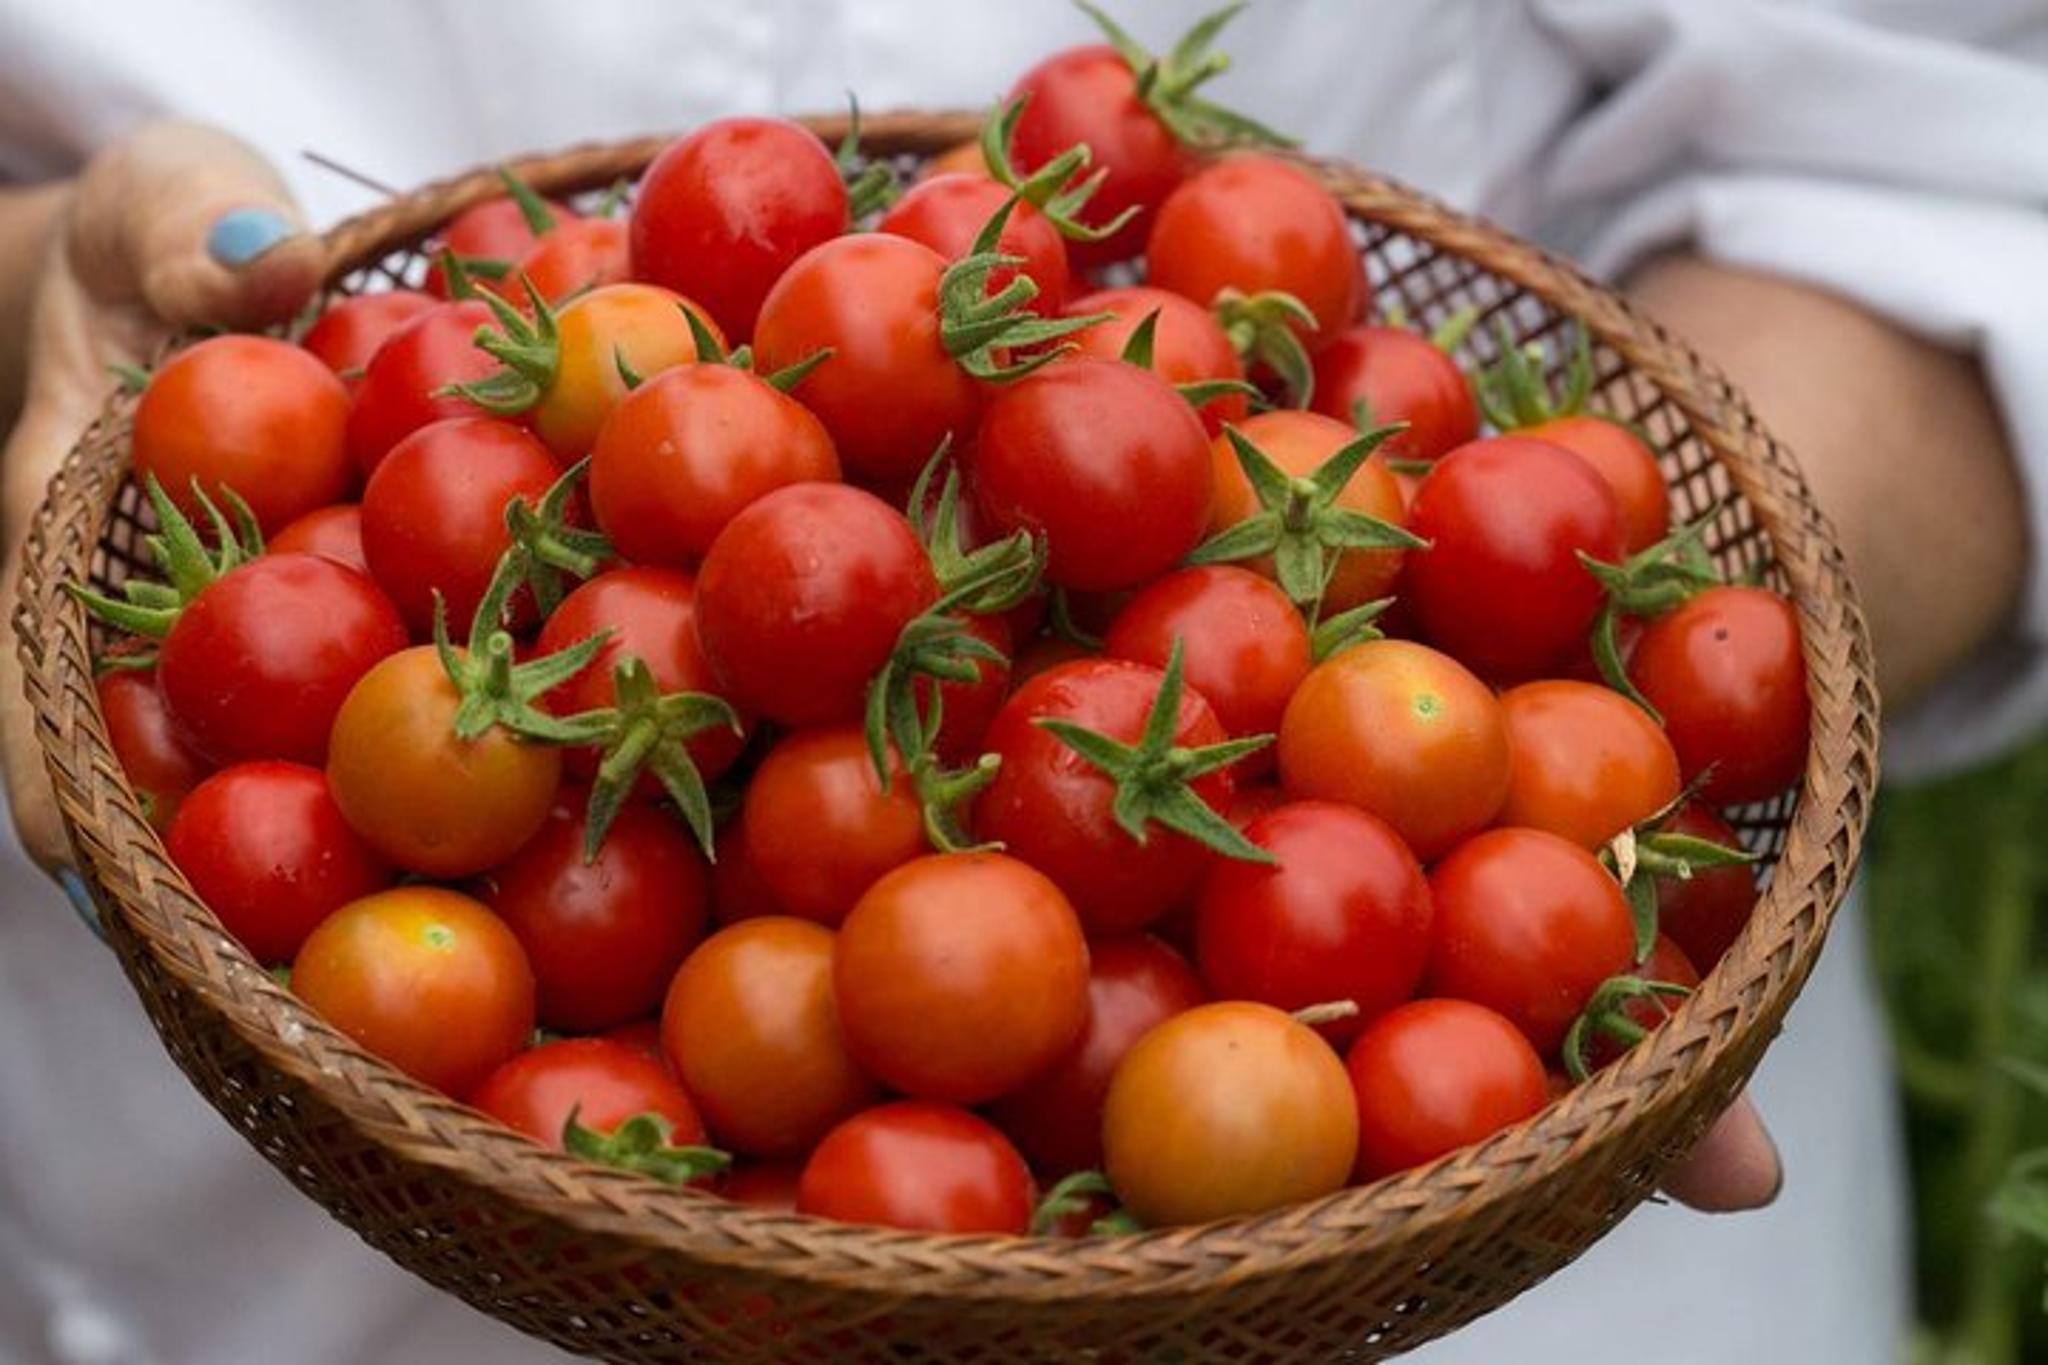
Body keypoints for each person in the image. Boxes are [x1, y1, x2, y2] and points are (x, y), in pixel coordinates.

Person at [0, 2, 2037, 1361]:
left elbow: (1946, 166)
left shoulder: (1185, 610)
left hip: (1435, 1203)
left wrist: (1590, 767)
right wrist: (36, 296)